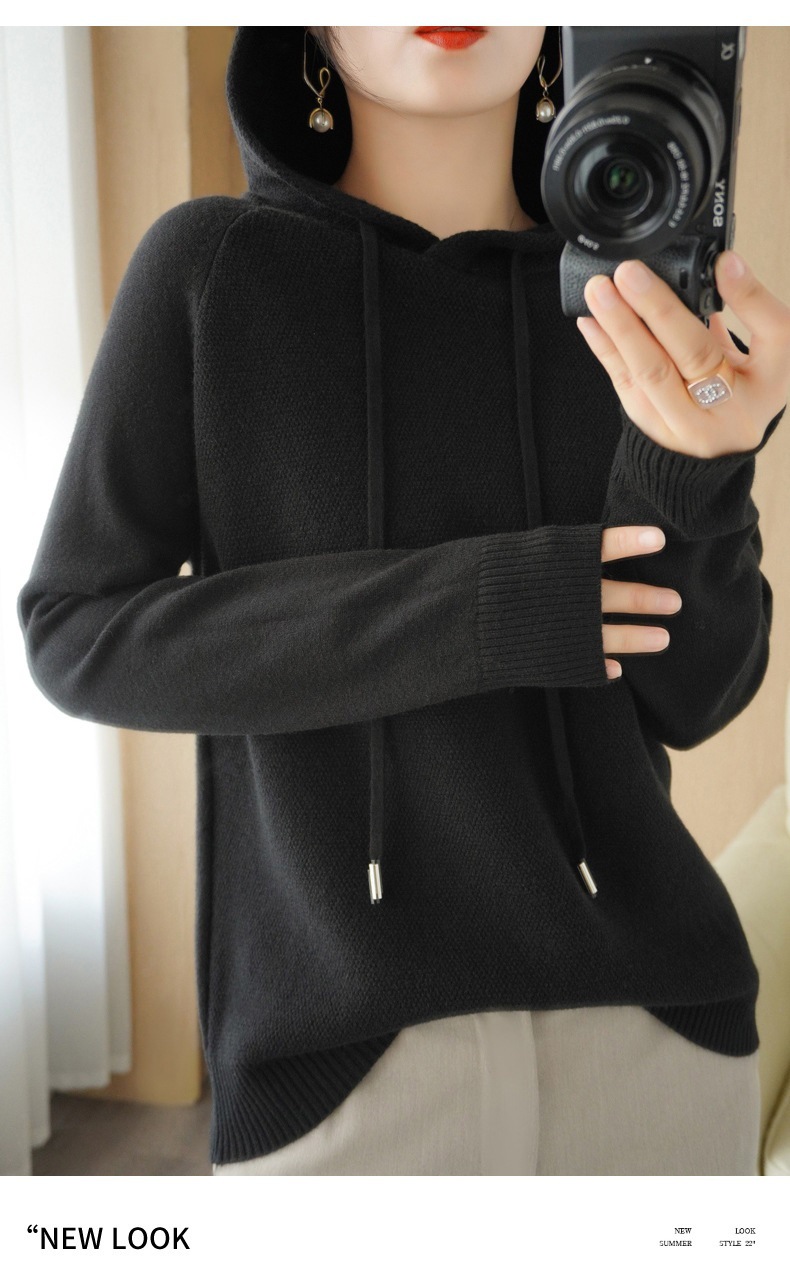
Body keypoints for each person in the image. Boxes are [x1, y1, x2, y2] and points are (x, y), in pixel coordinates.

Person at [17, 25, 789, 1176]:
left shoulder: (628, 297)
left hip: (657, 1044)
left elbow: (697, 691)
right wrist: (484, 608)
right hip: (339, 1075)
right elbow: (79, 632)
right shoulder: (214, 269)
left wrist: (702, 469)